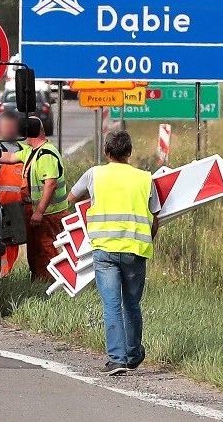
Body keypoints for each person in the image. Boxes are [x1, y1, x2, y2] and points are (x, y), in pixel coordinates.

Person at [67, 130, 160, 376]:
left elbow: (71, 197)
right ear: (129, 153)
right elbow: (155, 217)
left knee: (111, 304)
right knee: (132, 304)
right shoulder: (144, 178)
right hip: (135, 249)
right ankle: (133, 355)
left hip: (105, 250)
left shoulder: (94, 174)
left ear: (106, 151)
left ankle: (117, 359)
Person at [0, 117, 67, 281]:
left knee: (46, 250)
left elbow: (50, 185)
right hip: (38, 212)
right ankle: (38, 279)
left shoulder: (46, 154)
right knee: (36, 250)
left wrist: (39, 212)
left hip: (48, 213)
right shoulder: (31, 152)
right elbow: (10, 157)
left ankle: (50, 283)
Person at [0, 111, 26, 275]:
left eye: (12, 126)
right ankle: (3, 276)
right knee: (1, 246)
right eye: (6, 126)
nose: (9, 130)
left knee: (14, 245)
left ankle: (8, 275)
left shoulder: (25, 150)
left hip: (18, 209)